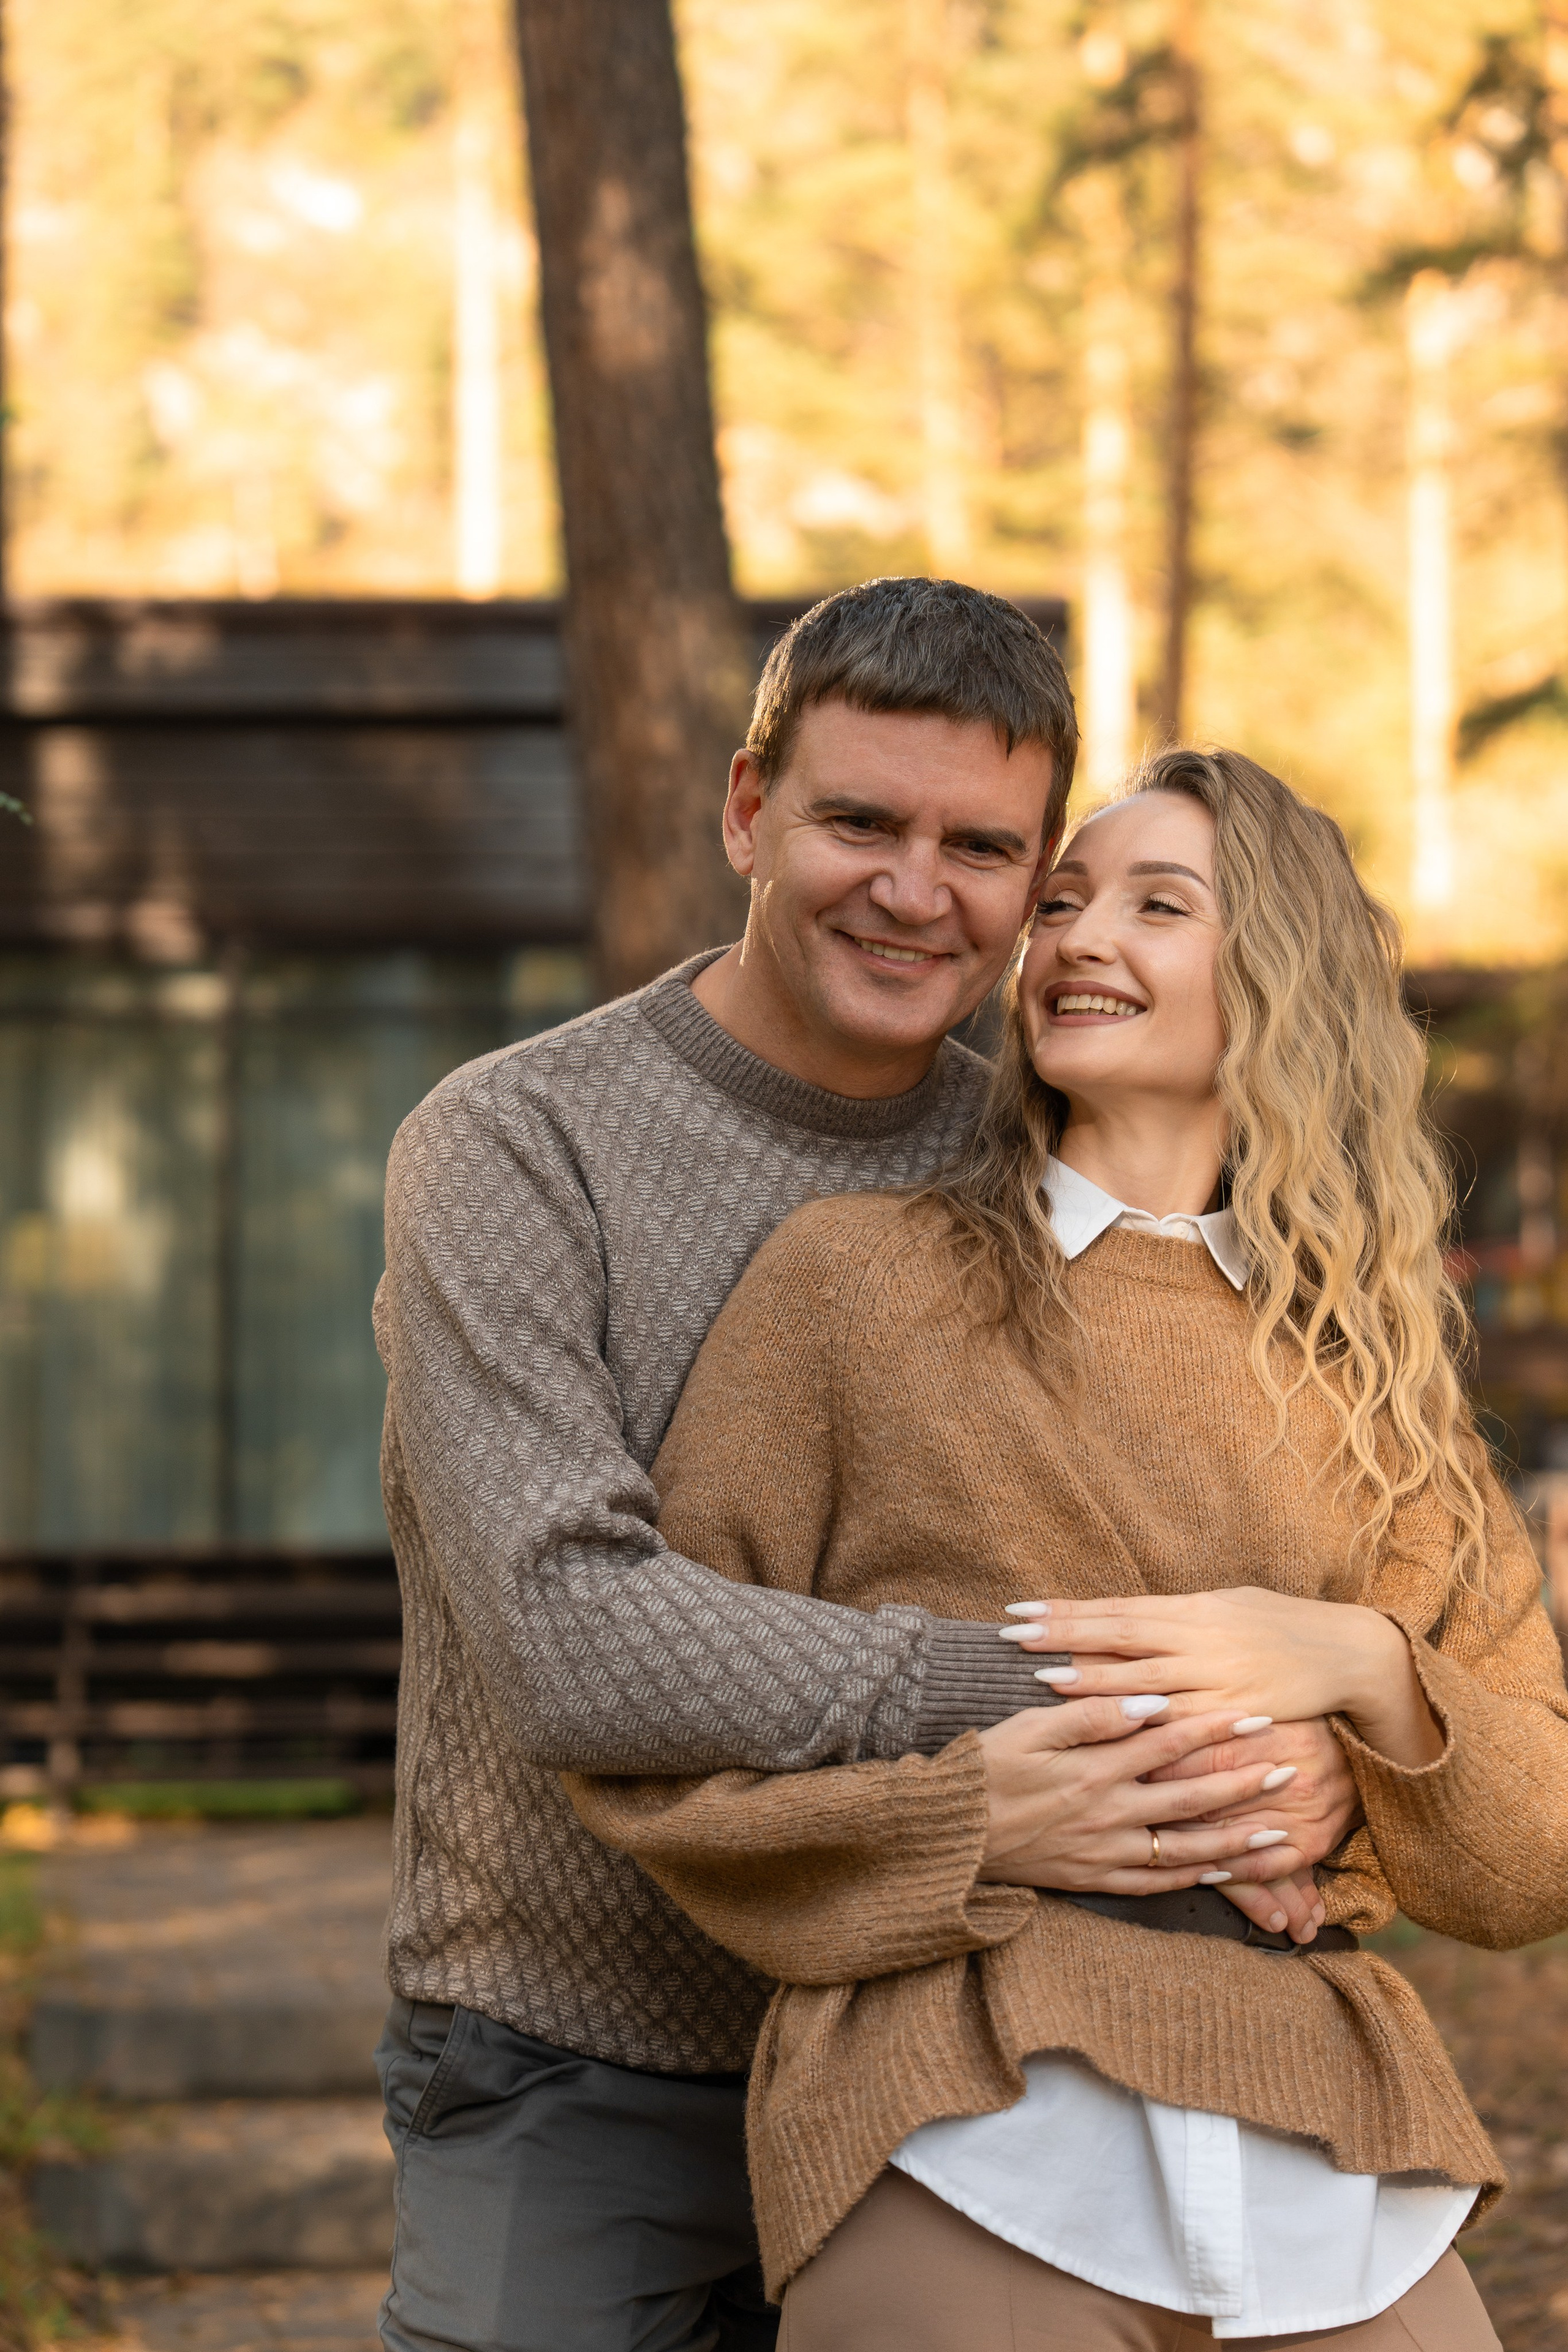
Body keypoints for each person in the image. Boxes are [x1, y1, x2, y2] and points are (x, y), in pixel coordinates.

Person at [372, 586, 1360, 2352]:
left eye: (984, 847)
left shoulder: (1053, 1170)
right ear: (748, 807)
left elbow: (1251, 1533)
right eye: (860, 822)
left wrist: (1318, 1739)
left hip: (957, 2049)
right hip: (578, 2056)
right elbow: (568, 1633)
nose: (917, 891)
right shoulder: (516, 1144)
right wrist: (1079, 1690)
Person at [569, 745, 1568, 2351]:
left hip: (1334, 2155)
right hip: (962, 2114)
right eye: (1060, 902)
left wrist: (1366, 1674)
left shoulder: (1380, 1385)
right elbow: (655, 1719)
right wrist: (971, 1820)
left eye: (1156, 905)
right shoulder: (854, 1288)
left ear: (1280, 983)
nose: (1078, 937)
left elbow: (1534, 1851)